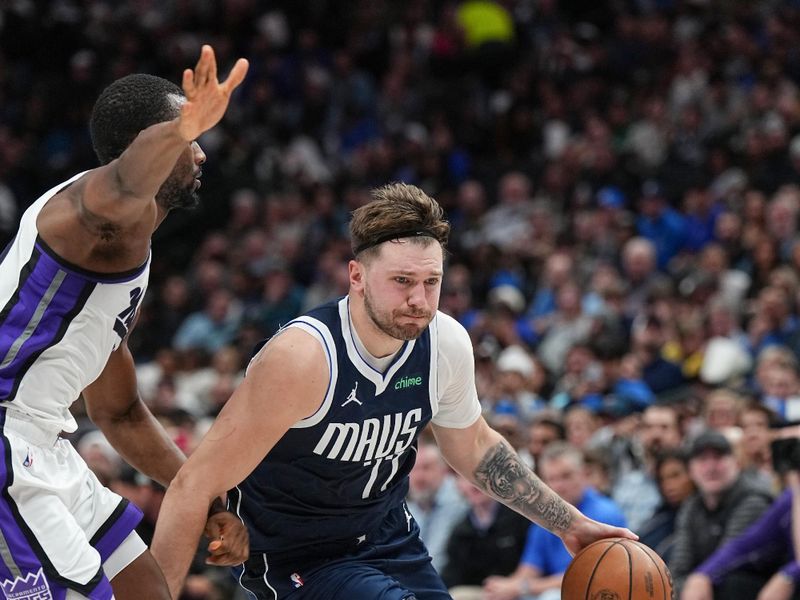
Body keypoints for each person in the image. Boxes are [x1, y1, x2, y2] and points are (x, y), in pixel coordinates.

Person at [151, 183, 636, 599]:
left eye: (432, 282)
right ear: (357, 276)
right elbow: (194, 484)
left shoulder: (444, 341)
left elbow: (474, 447)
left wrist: (569, 524)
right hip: (298, 553)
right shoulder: (303, 357)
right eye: (402, 281)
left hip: (388, 537)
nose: (419, 300)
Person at [0, 45, 249, 599]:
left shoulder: (116, 263)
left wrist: (207, 501)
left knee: (146, 592)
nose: (202, 152)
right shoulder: (90, 215)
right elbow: (124, 187)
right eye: (190, 140)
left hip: (45, 443)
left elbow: (120, 412)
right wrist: (179, 128)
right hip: (6, 440)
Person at [482, 442, 627, 600]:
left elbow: (588, 577)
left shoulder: (605, 514)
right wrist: (504, 587)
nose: (559, 486)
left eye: (566, 476)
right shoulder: (544, 516)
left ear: (584, 474)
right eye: (552, 479)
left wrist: (522, 587)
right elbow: (530, 568)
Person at [670, 429, 773, 595]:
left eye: (718, 458)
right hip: (701, 589)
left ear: (737, 463)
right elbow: (679, 567)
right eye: (702, 459)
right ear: (691, 470)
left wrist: (696, 582)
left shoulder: (754, 500)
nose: (711, 467)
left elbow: (729, 561)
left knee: (734, 582)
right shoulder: (692, 506)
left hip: (750, 590)